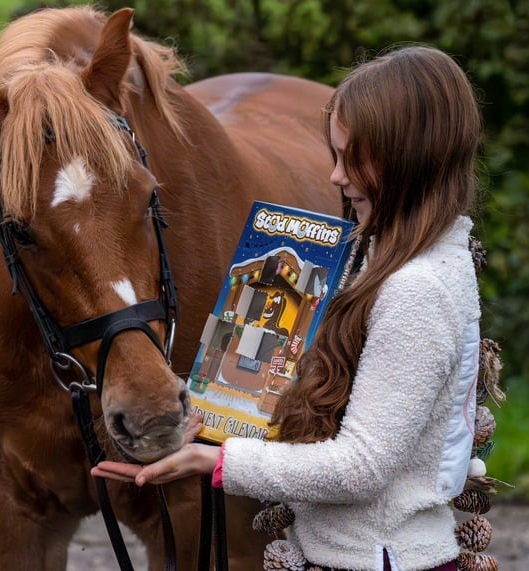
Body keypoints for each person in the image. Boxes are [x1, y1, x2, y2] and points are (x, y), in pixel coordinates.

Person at [92, 45, 484, 571]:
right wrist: (203, 422)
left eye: (352, 159)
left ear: (407, 159)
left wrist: (216, 461)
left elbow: (359, 468)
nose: (335, 179)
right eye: (335, 157)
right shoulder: (375, 260)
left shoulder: (417, 291)